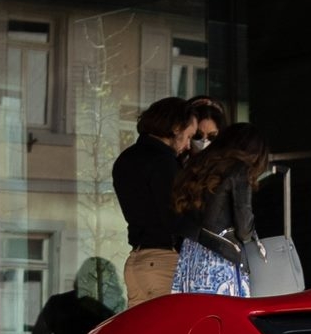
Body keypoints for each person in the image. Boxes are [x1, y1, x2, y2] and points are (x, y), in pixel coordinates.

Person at [112, 98, 204, 305]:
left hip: (136, 262)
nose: (188, 145)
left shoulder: (126, 157)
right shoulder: (164, 162)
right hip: (164, 262)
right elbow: (174, 217)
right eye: (188, 136)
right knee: (173, 333)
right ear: (175, 128)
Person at [172, 123, 271, 299]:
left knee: (193, 317)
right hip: (219, 258)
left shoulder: (197, 165)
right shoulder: (239, 169)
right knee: (222, 321)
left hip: (189, 256)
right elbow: (244, 230)